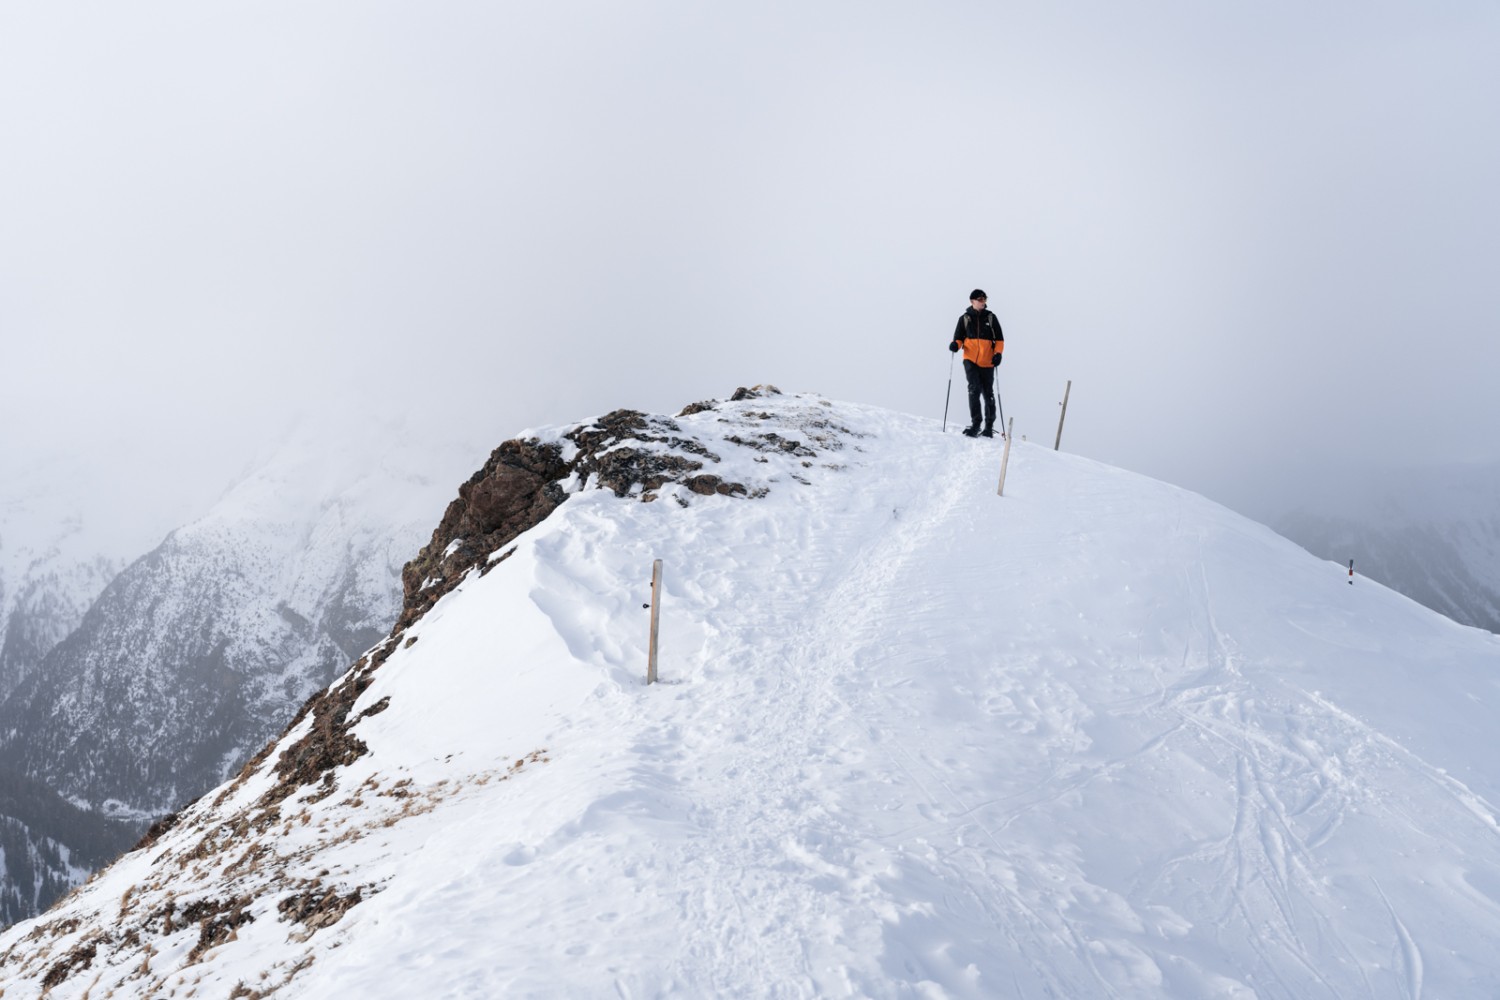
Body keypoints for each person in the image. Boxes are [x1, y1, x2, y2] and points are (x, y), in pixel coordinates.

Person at [949, 289, 1005, 437]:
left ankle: (988, 427)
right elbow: (958, 338)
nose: (983, 301)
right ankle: (976, 424)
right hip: (970, 360)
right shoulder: (965, 318)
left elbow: (999, 340)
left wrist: (998, 354)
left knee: (988, 393)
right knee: (974, 390)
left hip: (987, 361)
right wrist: (955, 344)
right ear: (972, 301)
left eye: (984, 299)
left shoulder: (991, 318)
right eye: (980, 299)